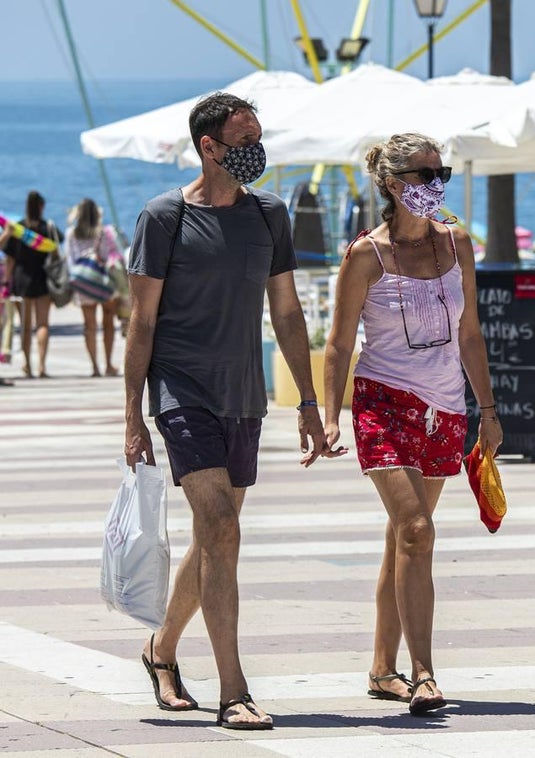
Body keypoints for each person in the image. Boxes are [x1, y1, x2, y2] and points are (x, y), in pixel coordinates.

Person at [124, 92, 328, 730]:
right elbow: (141, 321)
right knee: (221, 527)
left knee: (215, 536)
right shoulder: (164, 218)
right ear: (209, 147)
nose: (256, 151)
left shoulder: (270, 215)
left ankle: (160, 651)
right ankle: (233, 689)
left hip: (244, 394)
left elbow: (287, 312)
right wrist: (133, 414)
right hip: (181, 389)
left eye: (259, 138)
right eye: (244, 141)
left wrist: (311, 401)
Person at [322, 133, 502, 715]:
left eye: (441, 172)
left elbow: (470, 333)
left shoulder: (458, 243)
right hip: (383, 402)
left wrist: (489, 412)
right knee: (418, 530)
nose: (436, 184)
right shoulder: (365, 255)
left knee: (404, 537)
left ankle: (381, 670)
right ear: (395, 185)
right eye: (425, 175)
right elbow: (339, 342)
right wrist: (329, 415)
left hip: (445, 405)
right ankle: (424, 673)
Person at [0, 191, 61, 378]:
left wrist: (5, 280)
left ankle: (27, 365)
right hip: (42, 278)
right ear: (41, 206)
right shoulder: (47, 227)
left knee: (25, 325)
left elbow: (8, 258)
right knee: (43, 324)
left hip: (21, 279)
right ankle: (42, 366)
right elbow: (56, 252)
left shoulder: (18, 228)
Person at [65, 198, 123, 377]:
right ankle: (108, 365)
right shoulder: (104, 232)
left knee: (89, 327)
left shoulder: (71, 233)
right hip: (103, 283)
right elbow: (110, 257)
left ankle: (94, 367)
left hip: (84, 284)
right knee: (108, 325)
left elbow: (70, 260)